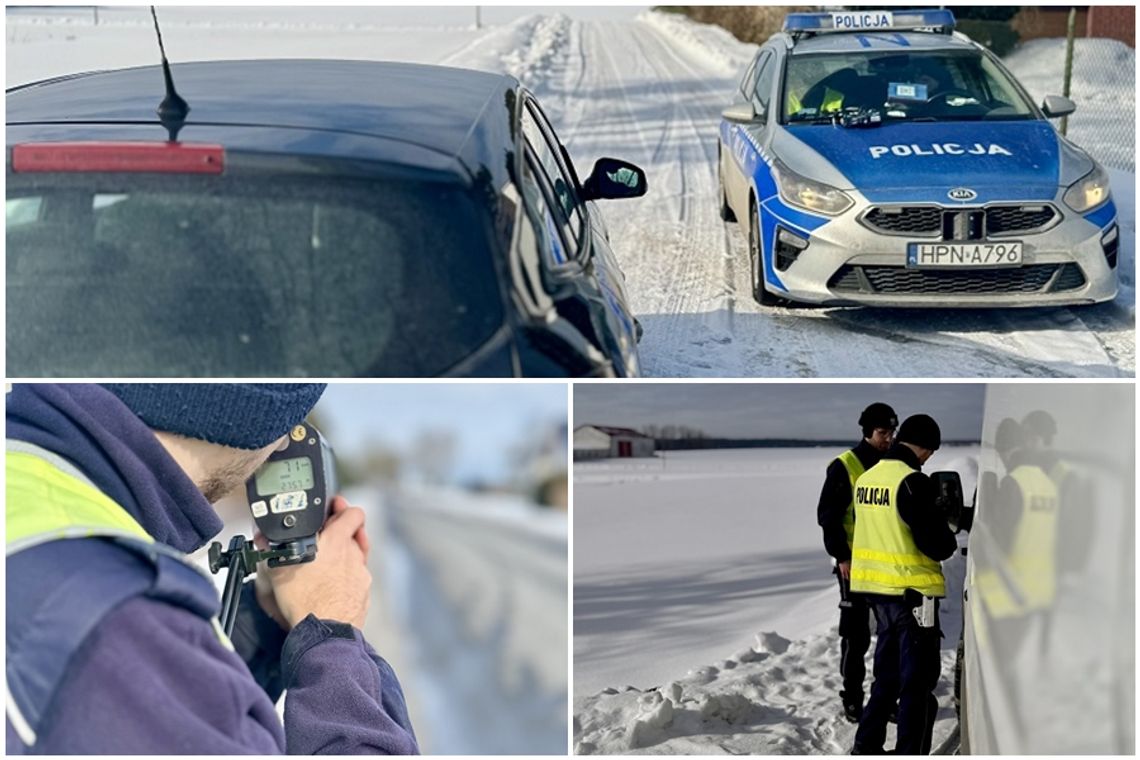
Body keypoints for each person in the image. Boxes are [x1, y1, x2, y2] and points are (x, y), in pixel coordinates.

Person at [6, 384, 419, 754]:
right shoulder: (120, 618)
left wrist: (260, 625)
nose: (279, 449)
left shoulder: (27, 480)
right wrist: (334, 640)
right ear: (251, 408)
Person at [849, 414, 957, 756]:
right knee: (916, 684)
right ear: (923, 447)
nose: (929, 460)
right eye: (930, 453)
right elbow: (938, 545)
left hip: (878, 595)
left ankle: (866, 747)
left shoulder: (867, 479)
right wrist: (944, 521)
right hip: (914, 599)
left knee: (886, 679)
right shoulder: (912, 482)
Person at [816, 402, 898, 722]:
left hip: (888, 565)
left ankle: (885, 696)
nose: (888, 438)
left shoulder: (893, 463)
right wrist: (842, 556)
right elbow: (828, 516)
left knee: (889, 634)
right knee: (856, 635)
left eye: (892, 432)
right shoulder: (845, 465)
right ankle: (852, 696)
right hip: (854, 566)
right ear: (867, 431)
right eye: (882, 432)